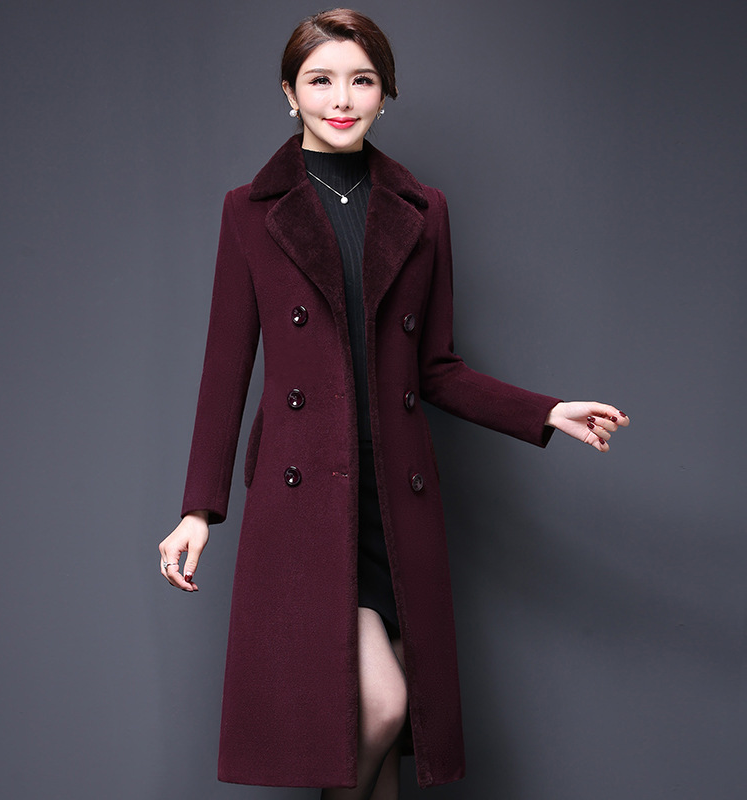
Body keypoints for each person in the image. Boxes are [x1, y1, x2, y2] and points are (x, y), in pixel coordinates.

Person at [158, 8, 629, 800]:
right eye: (321, 80)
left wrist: (545, 412)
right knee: (377, 707)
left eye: (362, 80)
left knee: (384, 744)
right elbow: (225, 368)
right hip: (306, 505)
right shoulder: (249, 211)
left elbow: (436, 368)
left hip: (395, 500)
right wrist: (198, 512)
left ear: (387, 94)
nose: (342, 99)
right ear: (289, 92)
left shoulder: (423, 209)